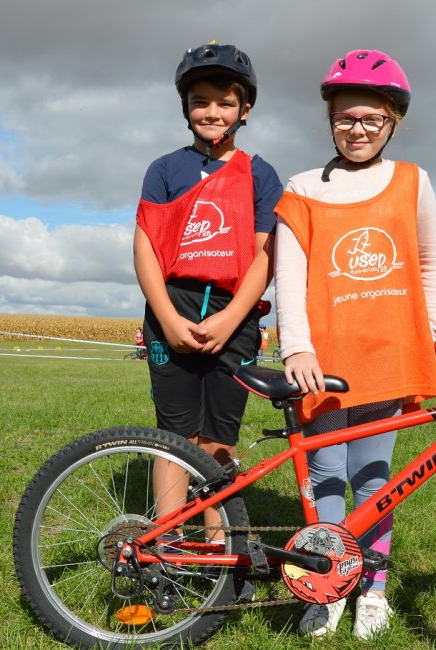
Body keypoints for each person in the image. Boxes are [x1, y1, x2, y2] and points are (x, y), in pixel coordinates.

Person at [275, 49, 436, 640]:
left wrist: (427, 335)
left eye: (372, 118)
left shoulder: (413, 181)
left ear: (393, 121)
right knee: (325, 475)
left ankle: (372, 588)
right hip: (324, 359)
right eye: (345, 117)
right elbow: (288, 275)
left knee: (375, 479)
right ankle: (328, 588)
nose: (358, 129)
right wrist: (297, 348)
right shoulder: (301, 188)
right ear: (330, 119)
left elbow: (428, 263)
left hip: (387, 355)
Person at [133, 42, 282, 568]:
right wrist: (167, 318)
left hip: (233, 314)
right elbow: (145, 248)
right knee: (174, 434)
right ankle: (168, 544)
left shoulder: (260, 173)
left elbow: (266, 254)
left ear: (245, 109)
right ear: (185, 107)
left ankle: (218, 545)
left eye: (225, 102)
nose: (212, 112)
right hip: (171, 307)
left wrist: (231, 317)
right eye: (200, 102)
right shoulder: (164, 169)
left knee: (220, 436)